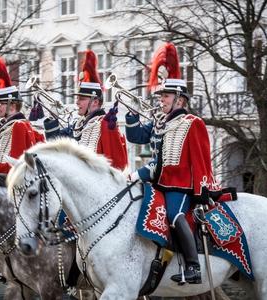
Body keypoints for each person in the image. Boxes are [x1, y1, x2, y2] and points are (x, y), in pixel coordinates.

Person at [125, 42, 221, 284]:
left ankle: (193, 266)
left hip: (180, 185)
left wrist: (141, 173)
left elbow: (196, 161)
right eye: (160, 96)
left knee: (174, 215)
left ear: (180, 99)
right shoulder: (160, 121)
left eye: (165, 96)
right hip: (160, 183)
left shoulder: (191, 122)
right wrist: (131, 114)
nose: (161, 101)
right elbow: (136, 137)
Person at [43, 50, 128, 170]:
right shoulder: (78, 126)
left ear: (95, 102)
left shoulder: (106, 124)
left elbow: (116, 164)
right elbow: (55, 143)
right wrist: (53, 118)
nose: (77, 102)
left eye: (81, 99)